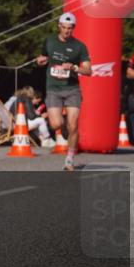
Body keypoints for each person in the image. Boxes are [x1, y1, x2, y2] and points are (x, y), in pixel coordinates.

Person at [36, 12, 92, 170]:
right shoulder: (49, 41)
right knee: (55, 124)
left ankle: (69, 158)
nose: (67, 31)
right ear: (59, 26)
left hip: (72, 88)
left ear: (73, 28)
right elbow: (43, 57)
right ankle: (66, 127)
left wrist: (74, 67)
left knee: (73, 124)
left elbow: (88, 71)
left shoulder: (79, 46)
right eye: (64, 27)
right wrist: (40, 61)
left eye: (70, 28)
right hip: (53, 88)